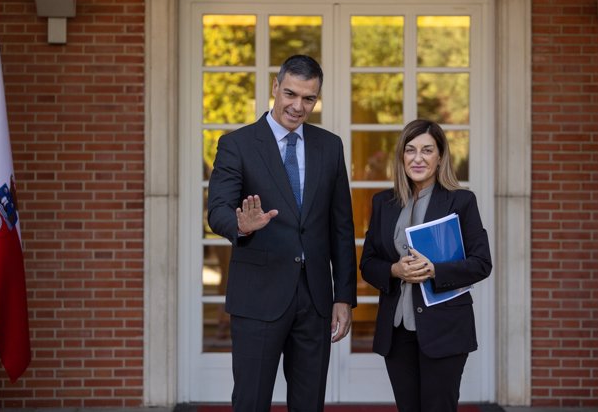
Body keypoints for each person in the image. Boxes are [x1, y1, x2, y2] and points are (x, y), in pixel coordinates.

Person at [207, 54, 357, 412]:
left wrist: (343, 297)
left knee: (309, 404)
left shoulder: (330, 146)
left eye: (308, 98)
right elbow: (217, 210)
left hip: (316, 299)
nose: (297, 106)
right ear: (275, 87)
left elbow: (341, 226)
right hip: (258, 296)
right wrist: (240, 225)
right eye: (290, 94)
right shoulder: (237, 144)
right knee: (251, 401)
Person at [360, 119, 492, 412]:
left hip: (444, 330)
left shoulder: (461, 202)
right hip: (397, 333)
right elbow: (368, 263)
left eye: (427, 150)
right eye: (410, 150)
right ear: (401, 157)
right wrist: (395, 270)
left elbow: (482, 263)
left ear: (440, 157)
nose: (417, 158)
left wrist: (435, 271)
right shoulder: (384, 203)